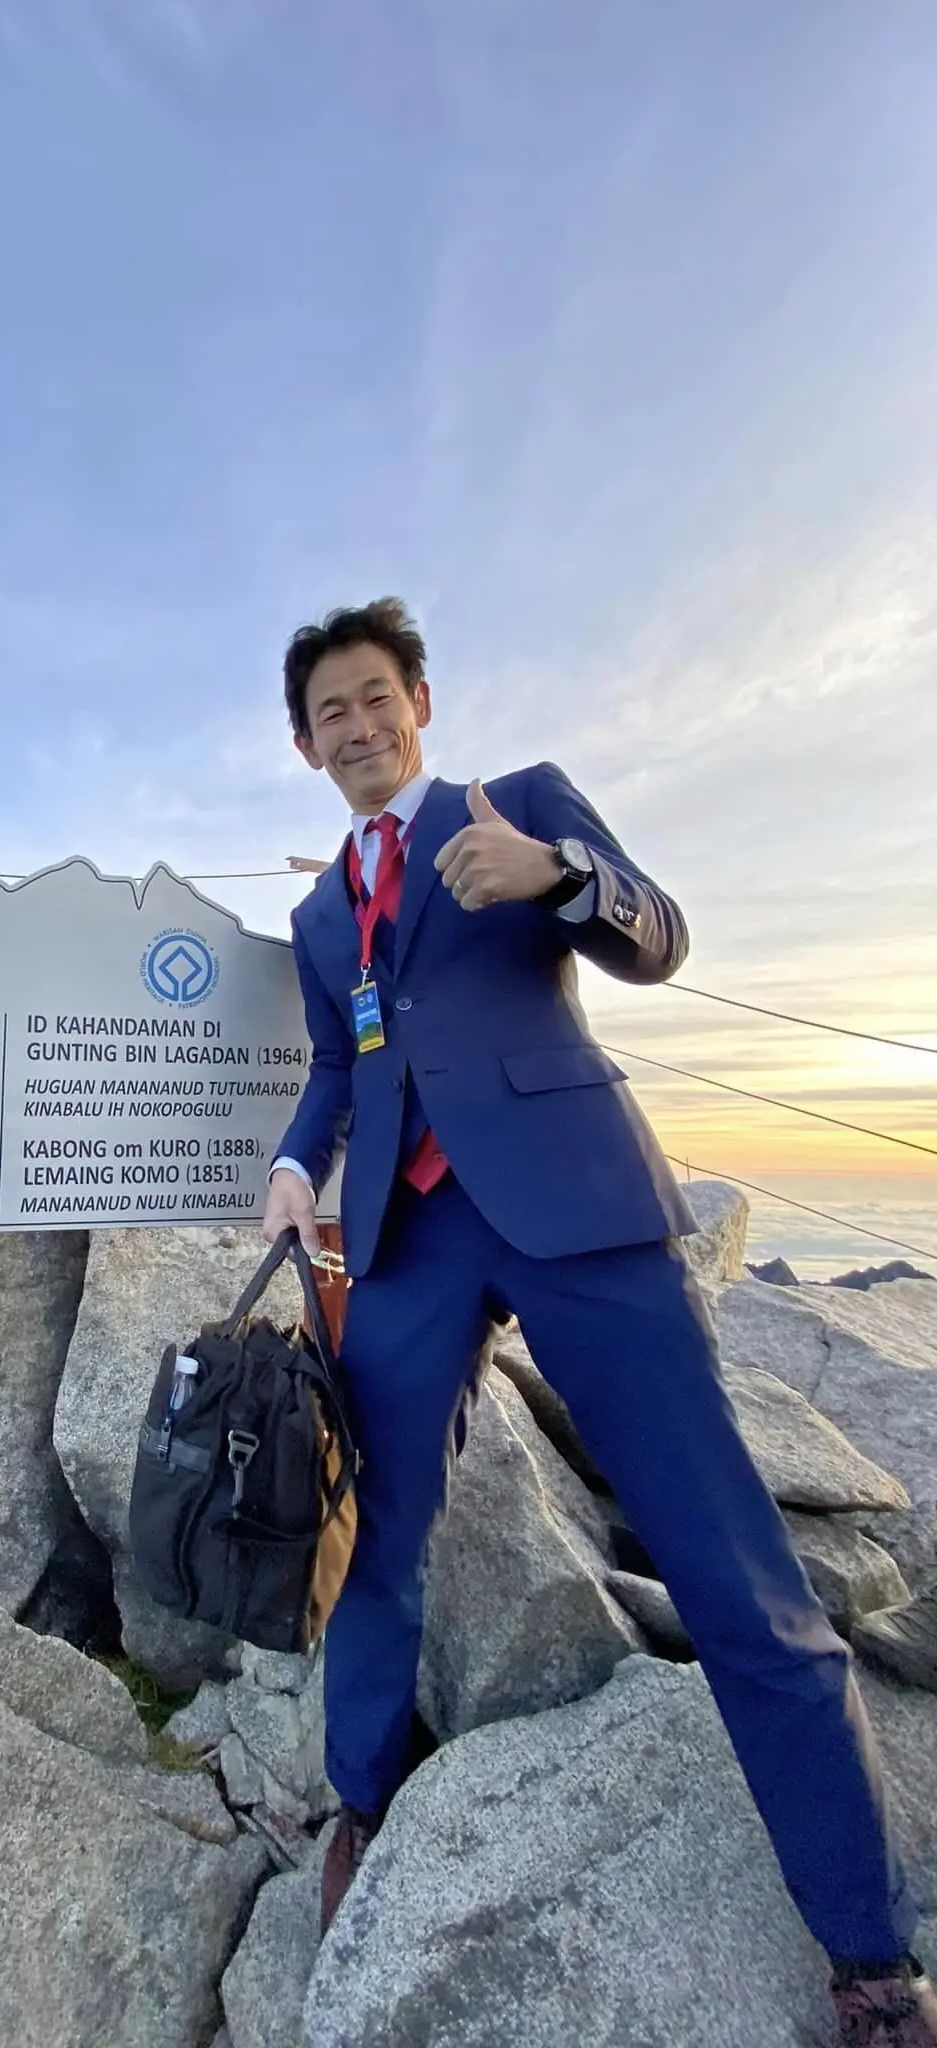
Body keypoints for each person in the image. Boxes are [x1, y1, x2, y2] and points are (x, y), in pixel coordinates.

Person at [262, 597, 934, 2046]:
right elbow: (335, 1065)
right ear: (306, 748)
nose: (359, 727)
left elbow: (659, 937)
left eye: (377, 698)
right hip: (407, 1240)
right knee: (374, 1532)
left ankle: (870, 1954)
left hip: (579, 1209)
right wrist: (292, 1170)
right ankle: (363, 1803)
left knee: (723, 1547)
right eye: (330, 715)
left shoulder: (520, 803)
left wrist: (556, 874)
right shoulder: (321, 916)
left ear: (419, 703)